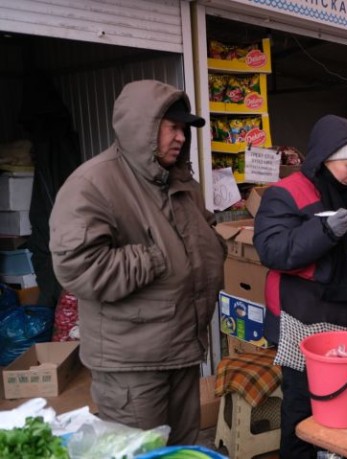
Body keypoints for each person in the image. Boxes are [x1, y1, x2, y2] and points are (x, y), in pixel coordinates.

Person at [49, 80, 226, 444]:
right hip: (132, 364)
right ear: (143, 127)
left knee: (181, 448)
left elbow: (199, 230)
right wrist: (156, 258)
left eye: (184, 129)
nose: (180, 137)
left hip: (180, 348)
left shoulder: (178, 181)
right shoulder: (93, 183)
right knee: (138, 450)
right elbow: (78, 267)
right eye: (172, 127)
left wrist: (213, 247)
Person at [252, 114, 347, 458]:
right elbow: (272, 250)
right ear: (325, 158)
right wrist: (325, 232)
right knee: (302, 414)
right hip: (307, 324)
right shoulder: (285, 194)